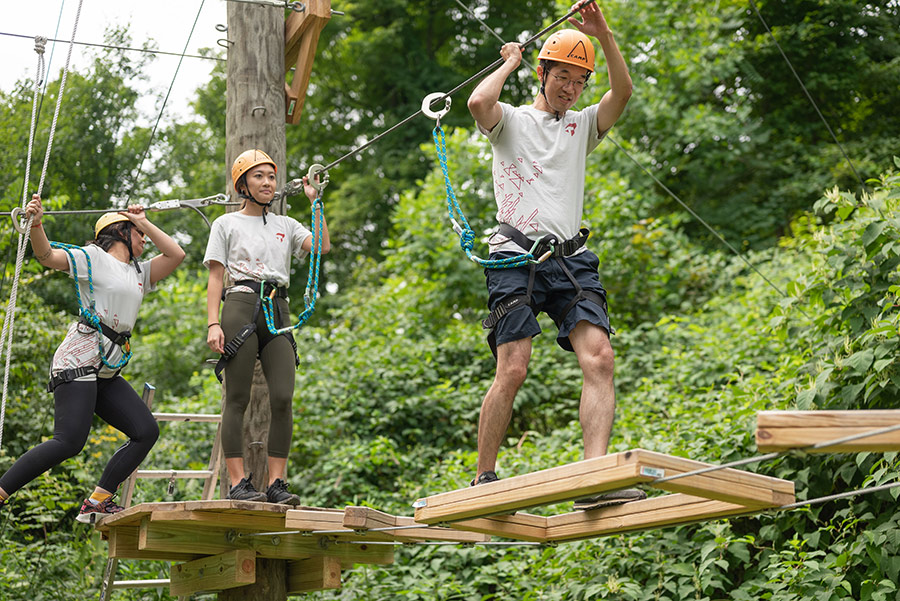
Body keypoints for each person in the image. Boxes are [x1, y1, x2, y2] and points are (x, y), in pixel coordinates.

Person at [466, 1, 644, 510]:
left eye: (579, 81)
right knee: (514, 367)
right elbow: (479, 104)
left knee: (601, 358)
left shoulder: (582, 126)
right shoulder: (513, 122)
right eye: (562, 77)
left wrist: (601, 32)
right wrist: (508, 62)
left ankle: (594, 479)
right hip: (515, 257)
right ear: (542, 75)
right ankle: (485, 478)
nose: (570, 89)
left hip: (570, 259)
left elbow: (623, 91)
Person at [0, 194, 185, 521]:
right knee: (69, 441)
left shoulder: (140, 273)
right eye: (138, 233)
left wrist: (142, 221)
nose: (144, 239)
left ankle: (98, 501)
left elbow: (176, 253)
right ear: (120, 232)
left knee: (145, 430)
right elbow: (47, 256)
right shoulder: (93, 258)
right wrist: (37, 225)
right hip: (80, 357)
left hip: (106, 368)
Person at [204, 149, 330, 505]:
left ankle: (276, 483)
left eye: (271, 177)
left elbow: (322, 246)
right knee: (238, 397)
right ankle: (238, 482)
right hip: (241, 304)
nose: (267, 183)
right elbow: (215, 277)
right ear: (242, 183)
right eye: (258, 176)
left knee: (283, 397)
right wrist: (214, 322)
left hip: (278, 306)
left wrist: (315, 203)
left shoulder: (286, 225)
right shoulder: (225, 224)